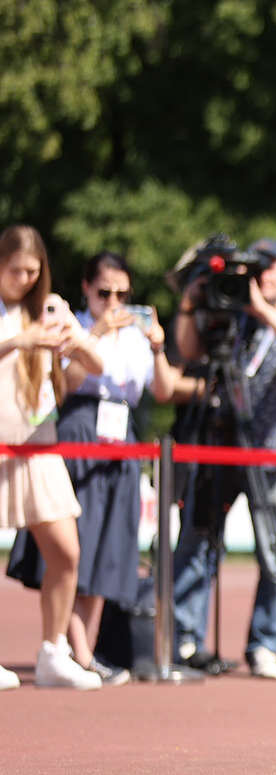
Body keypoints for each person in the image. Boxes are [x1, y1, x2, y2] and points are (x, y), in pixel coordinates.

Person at [7, 251, 180, 684]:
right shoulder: (69, 322)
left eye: (122, 293)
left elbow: (161, 390)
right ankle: (77, 651)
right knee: (74, 539)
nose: (114, 301)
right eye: (104, 292)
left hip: (122, 435)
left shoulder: (137, 336)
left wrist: (158, 345)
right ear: (87, 289)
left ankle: (86, 649)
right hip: (80, 428)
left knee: (109, 546)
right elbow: (64, 386)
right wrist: (94, 332)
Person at [172, 237, 276, 680]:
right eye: (255, 270)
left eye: (271, 268)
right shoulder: (234, 314)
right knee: (199, 542)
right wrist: (192, 300)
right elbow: (188, 351)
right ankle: (185, 638)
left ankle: (263, 645)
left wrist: (264, 312)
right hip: (224, 445)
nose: (262, 277)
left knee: (273, 554)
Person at [0, 224, 106, 690]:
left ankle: (52, 651)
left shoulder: (48, 311)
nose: (24, 278)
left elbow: (97, 368)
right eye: (15, 270)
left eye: (32, 270)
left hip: (40, 444)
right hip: (1, 445)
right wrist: (18, 342)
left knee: (66, 551)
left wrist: (79, 338)